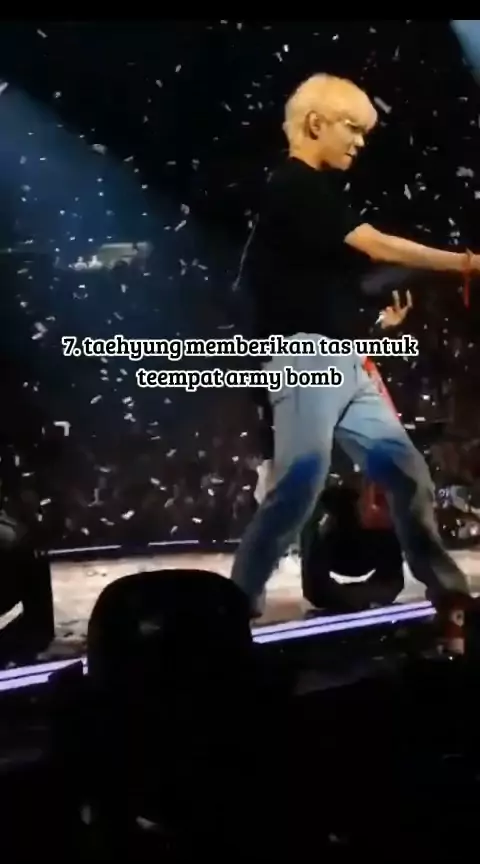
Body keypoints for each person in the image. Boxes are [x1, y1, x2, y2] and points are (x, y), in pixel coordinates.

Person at [231, 73, 480, 655]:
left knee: (405, 474)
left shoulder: (314, 196)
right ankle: (234, 604)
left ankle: (450, 595)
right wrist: (466, 263)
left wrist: (373, 328)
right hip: (304, 358)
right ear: (316, 124)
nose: (360, 142)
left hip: (343, 359)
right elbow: (378, 246)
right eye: (352, 128)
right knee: (299, 482)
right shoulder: (294, 185)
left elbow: (312, 289)